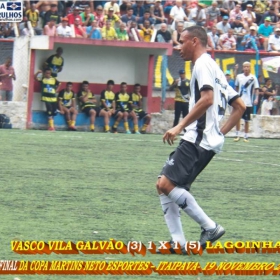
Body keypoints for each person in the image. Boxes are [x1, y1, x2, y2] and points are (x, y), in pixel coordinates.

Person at [156, 25, 246, 253]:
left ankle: (210, 227)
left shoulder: (203, 64)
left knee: (166, 184)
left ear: (194, 41)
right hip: (205, 139)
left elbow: (206, 99)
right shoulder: (215, 68)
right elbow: (240, 106)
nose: (178, 48)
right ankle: (178, 243)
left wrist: (179, 125)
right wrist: (219, 134)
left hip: (197, 138)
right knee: (163, 184)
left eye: (182, 41)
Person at [234, 61, 259, 143]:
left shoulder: (253, 78)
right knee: (237, 118)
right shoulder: (239, 77)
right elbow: (236, 88)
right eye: (245, 67)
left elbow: (256, 89)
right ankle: (237, 134)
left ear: (250, 68)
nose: (246, 68)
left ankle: (246, 136)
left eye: (248, 67)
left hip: (248, 102)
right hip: (239, 101)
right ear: (243, 68)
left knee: (247, 120)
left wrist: (256, 98)